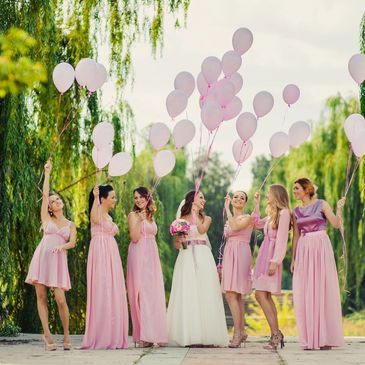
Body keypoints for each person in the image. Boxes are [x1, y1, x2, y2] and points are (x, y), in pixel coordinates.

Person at [26, 160, 76, 351]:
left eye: (58, 199)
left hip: (58, 260)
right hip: (42, 258)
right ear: (49, 207)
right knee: (41, 296)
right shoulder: (46, 218)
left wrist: (63, 247)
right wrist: (47, 173)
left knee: (60, 300)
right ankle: (47, 335)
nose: (56, 201)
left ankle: (66, 334)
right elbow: (44, 194)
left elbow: (72, 242)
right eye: (53, 201)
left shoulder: (71, 224)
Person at [167, 191, 228, 347]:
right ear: (192, 200)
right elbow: (176, 245)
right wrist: (179, 240)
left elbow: (201, 230)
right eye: (201, 197)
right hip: (186, 256)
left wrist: (195, 214)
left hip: (203, 255)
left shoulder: (206, 218)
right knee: (189, 292)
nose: (204, 200)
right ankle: (190, 336)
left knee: (205, 291)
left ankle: (208, 336)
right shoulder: (180, 220)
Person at [291, 177, 345, 350]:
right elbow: (296, 236)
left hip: (321, 246)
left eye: (297, 188)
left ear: (307, 189)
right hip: (304, 249)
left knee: (322, 288)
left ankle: (325, 337)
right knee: (306, 290)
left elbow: (335, 224)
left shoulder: (322, 204)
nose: (294, 191)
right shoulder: (296, 211)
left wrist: (338, 209)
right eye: (293, 189)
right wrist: (293, 258)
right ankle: (310, 338)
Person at [81, 184, 128, 349]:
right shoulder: (98, 211)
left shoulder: (107, 215)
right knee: (103, 287)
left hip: (110, 252)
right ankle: (102, 334)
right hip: (100, 251)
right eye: (112, 197)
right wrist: (95, 198)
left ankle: (112, 332)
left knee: (112, 288)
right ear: (103, 199)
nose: (115, 199)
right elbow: (94, 218)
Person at [127, 187, 168, 347]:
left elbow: (152, 234)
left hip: (152, 254)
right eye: (135, 198)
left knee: (153, 292)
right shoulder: (133, 215)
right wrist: (140, 220)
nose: (138, 200)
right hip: (139, 253)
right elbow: (135, 237)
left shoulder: (151, 216)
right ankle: (144, 335)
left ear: (147, 198)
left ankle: (155, 333)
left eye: (140, 197)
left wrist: (146, 218)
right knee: (141, 292)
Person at [252, 185, 291, 350]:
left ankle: (275, 334)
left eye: (269, 193)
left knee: (260, 295)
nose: (267, 195)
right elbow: (255, 223)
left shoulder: (284, 213)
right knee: (264, 295)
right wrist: (256, 203)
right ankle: (276, 334)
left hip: (272, 258)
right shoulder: (271, 216)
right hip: (264, 256)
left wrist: (275, 261)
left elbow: (282, 239)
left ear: (277, 195)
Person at [221, 191, 254, 347]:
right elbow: (228, 233)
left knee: (232, 293)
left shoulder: (247, 217)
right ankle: (241, 331)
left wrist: (227, 208)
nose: (238, 199)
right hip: (229, 253)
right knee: (234, 294)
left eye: (242, 198)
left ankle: (237, 332)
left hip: (240, 253)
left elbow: (235, 226)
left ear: (245, 203)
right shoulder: (230, 219)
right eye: (236, 197)